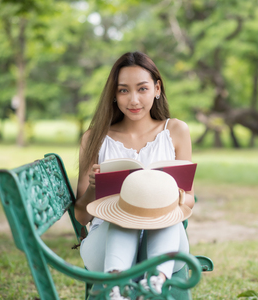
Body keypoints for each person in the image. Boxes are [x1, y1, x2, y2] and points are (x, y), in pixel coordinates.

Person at [74, 51, 195, 299]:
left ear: (157, 89)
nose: (134, 100)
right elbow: (80, 216)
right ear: (114, 95)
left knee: (165, 214)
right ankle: (115, 287)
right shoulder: (95, 138)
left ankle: (156, 283)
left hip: (164, 238)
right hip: (106, 243)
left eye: (142, 89)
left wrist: (177, 198)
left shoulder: (176, 131)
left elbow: (190, 199)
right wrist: (95, 190)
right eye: (123, 90)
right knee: (124, 216)